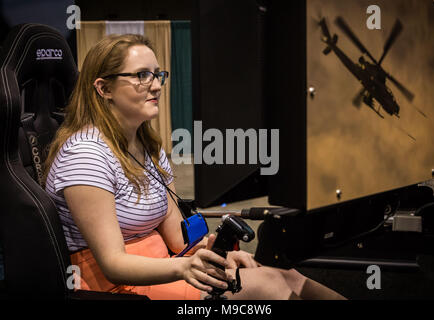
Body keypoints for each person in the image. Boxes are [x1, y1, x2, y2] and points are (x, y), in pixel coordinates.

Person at [43, 34, 345, 300]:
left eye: (159, 74)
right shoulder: (85, 154)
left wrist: (216, 254)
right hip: (114, 287)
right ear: (103, 88)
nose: (157, 85)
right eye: (142, 75)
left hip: (164, 268)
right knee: (271, 285)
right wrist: (184, 266)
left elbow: (177, 238)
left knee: (287, 275)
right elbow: (113, 264)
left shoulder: (148, 147)